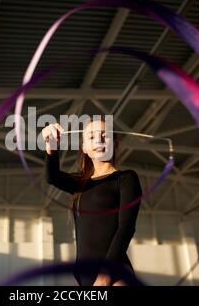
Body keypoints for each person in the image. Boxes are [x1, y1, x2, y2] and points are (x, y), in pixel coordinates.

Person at [41, 119, 142, 286]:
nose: (98, 140)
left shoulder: (126, 179)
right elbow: (52, 177)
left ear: (115, 143)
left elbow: (126, 227)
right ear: (84, 148)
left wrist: (105, 276)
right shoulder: (80, 183)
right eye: (91, 136)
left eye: (104, 135)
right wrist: (51, 146)